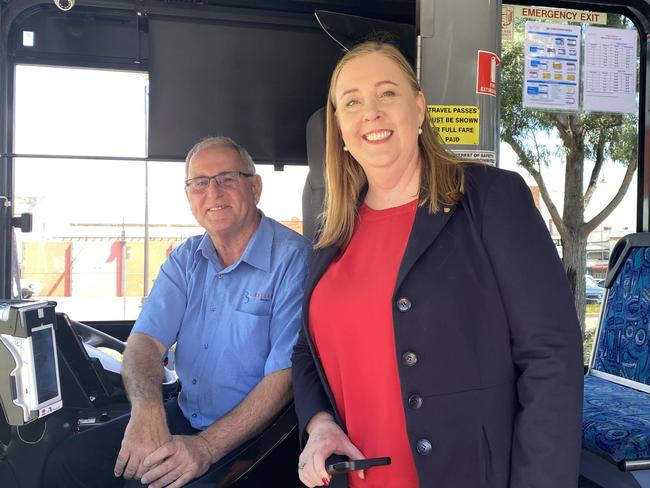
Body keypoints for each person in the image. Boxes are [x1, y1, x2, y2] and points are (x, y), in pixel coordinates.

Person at [291, 41, 583, 488]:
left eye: (387, 93)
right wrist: (319, 424)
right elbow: (306, 352)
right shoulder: (333, 230)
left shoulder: (492, 198)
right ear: (340, 129)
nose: (370, 111)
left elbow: (550, 359)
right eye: (352, 102)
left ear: (420, 107)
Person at [44, 136, 311, 488]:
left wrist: (205, 447)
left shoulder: (294, 259)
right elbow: (143, 342)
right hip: (185, 413)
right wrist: (147, 413)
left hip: (258, 436)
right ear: (189, 196)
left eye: (227, 179)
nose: (213, 193)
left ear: (255, 187)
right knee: (68, 464)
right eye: (199, 183)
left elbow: (283, 378)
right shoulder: (186, 259)